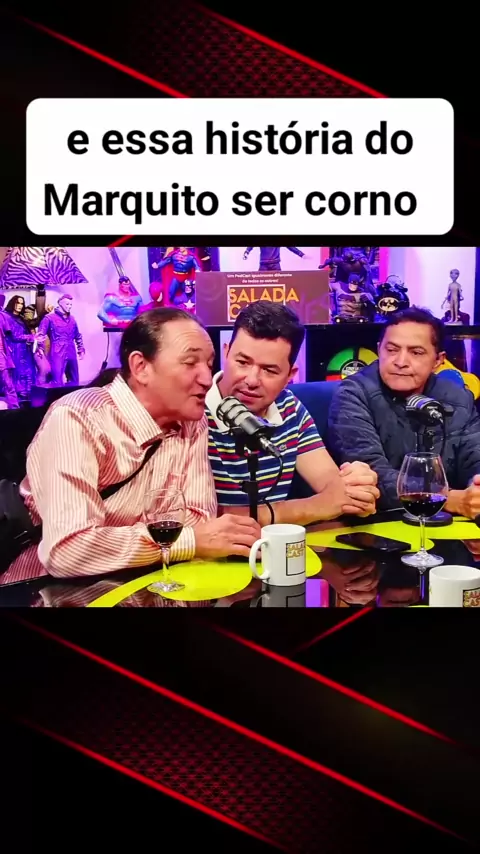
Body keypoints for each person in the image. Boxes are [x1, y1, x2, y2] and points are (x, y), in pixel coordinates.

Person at [20, 308, 261, 578]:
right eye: (190, 362)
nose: (207, 379)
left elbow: (199, 518)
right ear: (141, 367)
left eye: (209, 363)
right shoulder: (77, 417)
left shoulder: (193, 421)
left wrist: (117, 542)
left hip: (150, 580)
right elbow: (68, 550)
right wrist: (186, 541)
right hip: (46, 589)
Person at [205, 301, 379, 526]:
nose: (251, 380)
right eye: (242, 362)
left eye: (269, 370)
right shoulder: (194, 410)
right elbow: (205, 519)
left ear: (290, 375)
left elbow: (334, 489)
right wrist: (315, 507)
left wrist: (358, 487)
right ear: (226, 353)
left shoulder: (289, 407)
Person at [327, 307, 480, 517]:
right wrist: (448, 498)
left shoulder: (459, 398)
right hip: (376, 521)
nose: (400, 362)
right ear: (379, 350)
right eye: (391, 350)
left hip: (447, 522)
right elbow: (371, 475)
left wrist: (476, 490)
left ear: (438, 360)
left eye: (416, 352)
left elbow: (475, 457)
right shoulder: (353, 394)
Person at [37, 294, 85, 385]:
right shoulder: (49, 318)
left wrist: (81, 349)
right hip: (57, 351)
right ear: (60, 303)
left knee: (74, 380)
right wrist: (40, 348)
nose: (69, 306)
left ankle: (73, 394)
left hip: (71, 350)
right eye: (67, 304)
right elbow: (40, 334)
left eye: (70, 304)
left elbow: (77, 335)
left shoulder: (72, 319)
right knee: (57, 380)